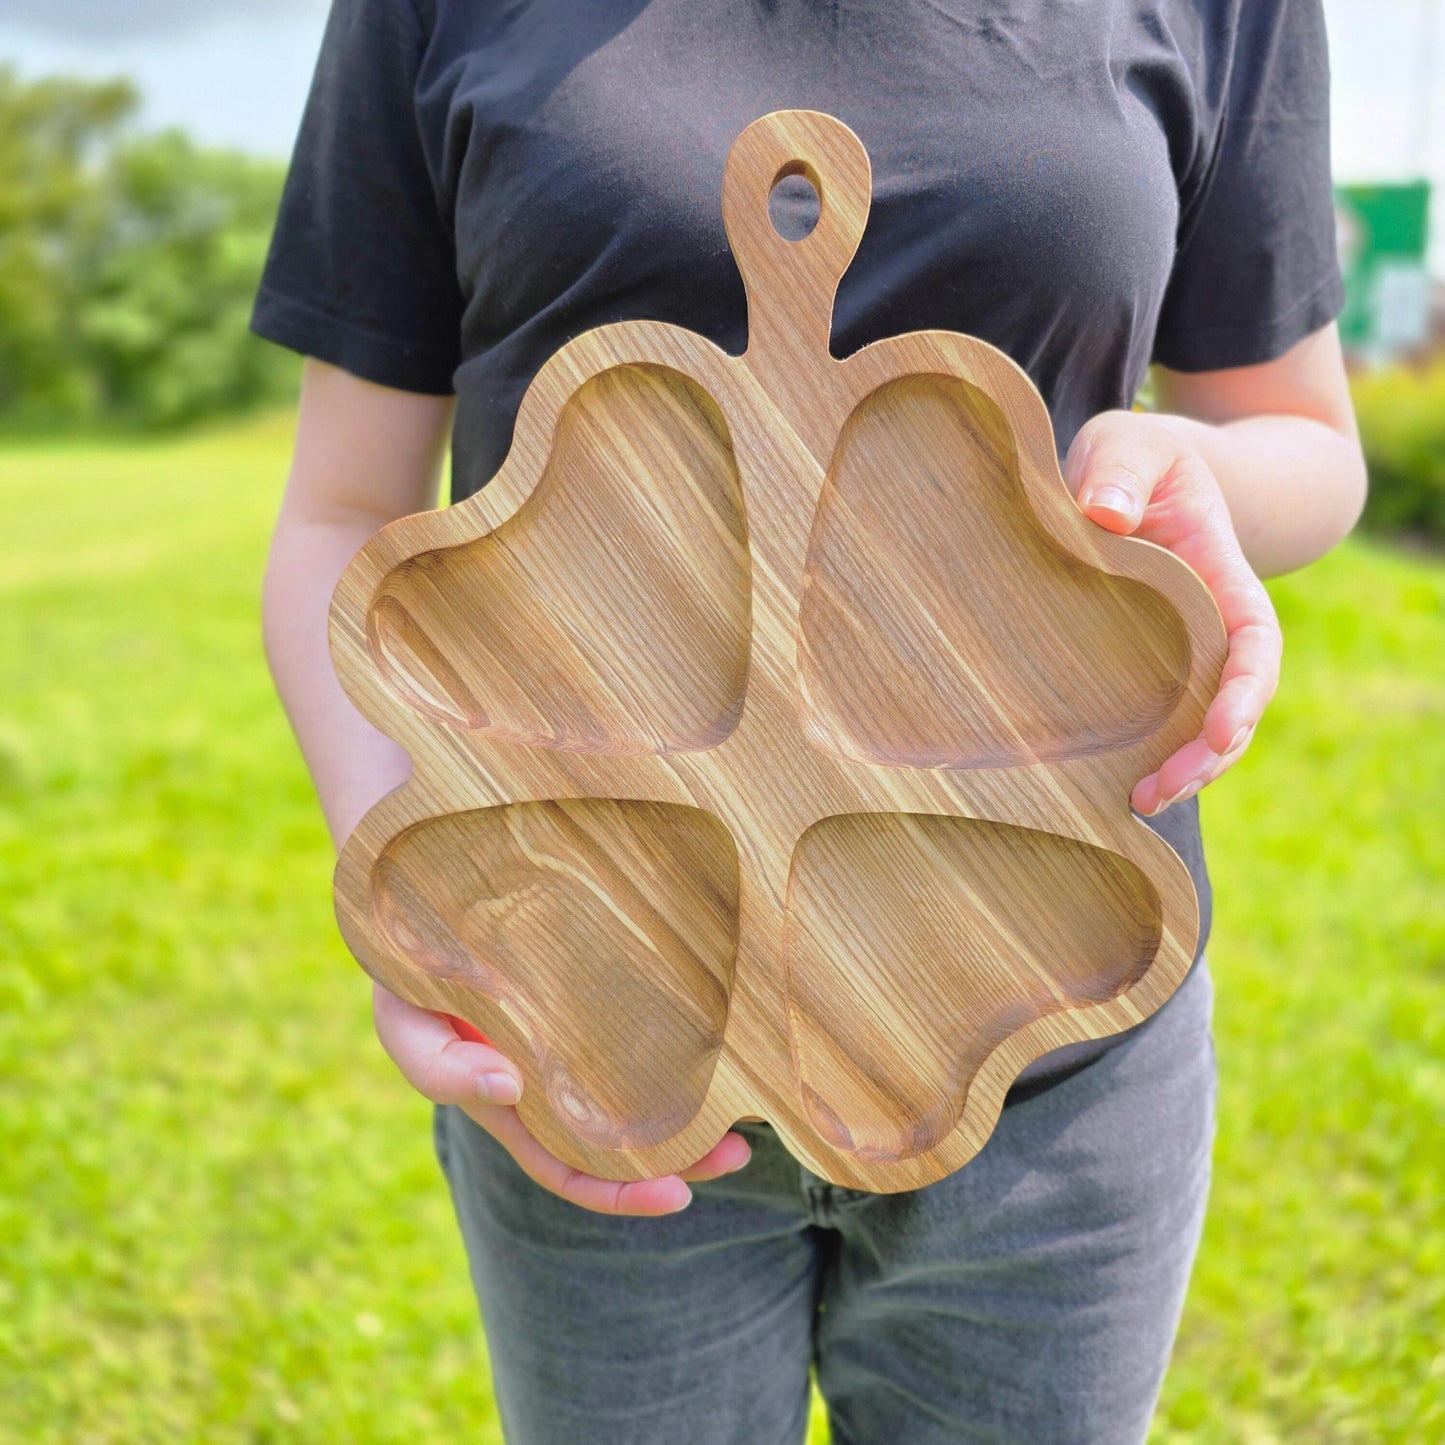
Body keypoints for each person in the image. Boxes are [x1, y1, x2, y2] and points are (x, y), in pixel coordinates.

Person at [252, 2, 1367, 1440]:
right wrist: (419, 910)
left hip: (1050, 1024)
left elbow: (1306, 439)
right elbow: (344, 510)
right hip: (595, 1026)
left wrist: (1191, 467)